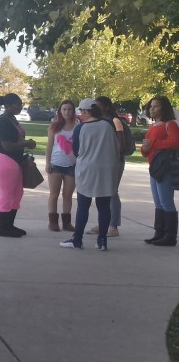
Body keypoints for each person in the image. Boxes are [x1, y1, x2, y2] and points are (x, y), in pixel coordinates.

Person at [59, 98, 119, 250]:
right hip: (106, 169)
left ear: (85, 111)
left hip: (87, 170)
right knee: (104, 206)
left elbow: (76, 150)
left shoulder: (81, 128)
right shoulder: (108, 124)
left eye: (81, 111)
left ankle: (77, 239)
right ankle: (102, 241)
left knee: (83, 205)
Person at [0, 93, 36, 237]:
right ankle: (2, 228)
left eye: (21, 104)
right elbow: (8, 145)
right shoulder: (3, 121)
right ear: (8, 106)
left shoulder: (12, 119)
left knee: (17, 193)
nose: (21, 107)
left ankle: (9, 225)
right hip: (5, 159)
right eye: (18, 104)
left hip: (15, 161)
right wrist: (27, 143)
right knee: (7, 194)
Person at [141, 96, 179, 246]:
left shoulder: (170, 125)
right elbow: (148, 150)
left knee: (166, 202)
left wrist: (153, 144)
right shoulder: (153, 126)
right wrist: (145, 148)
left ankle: (170, 236)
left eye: (156, 106)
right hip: (154, 167)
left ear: (164, 108)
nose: (152, 109)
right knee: (158, 203)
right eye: (151, 106)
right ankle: (159, 232)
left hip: (165, 168)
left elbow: (175, 142)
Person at [88, 96, 125, 237]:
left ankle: (113, 226)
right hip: (102, 161)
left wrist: (112, 157)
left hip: (114, 161)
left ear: (106, 107)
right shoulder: (98, 121)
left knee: (112, 192)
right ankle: (103, 222)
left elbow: (120, 144)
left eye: (98, 105)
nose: (95, 107)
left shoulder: (115, 121)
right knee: (102, 192)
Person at [45, 100, 77, 232]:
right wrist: (47, 163)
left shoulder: (78, 127)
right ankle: (53, 222)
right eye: (64, 109)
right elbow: (49, 146)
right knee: (54, 194)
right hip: (56, 164)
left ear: (73, 111)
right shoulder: (54, 127)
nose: (67, 112)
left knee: (67, 195)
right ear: (60, 111)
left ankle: (67, 222)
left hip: (72, 165)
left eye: (69, 109)